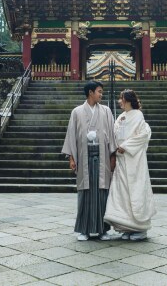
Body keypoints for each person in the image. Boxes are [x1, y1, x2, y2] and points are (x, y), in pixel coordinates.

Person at [61, 80, 117, 241]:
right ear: (90, 92)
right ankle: (84, 230)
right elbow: (72, 135)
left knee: (102, 193)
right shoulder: (77, 112)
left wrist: (112, 157)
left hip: (102, 157)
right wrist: (71, 157)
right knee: (85, 193)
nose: (101, 94)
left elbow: (112, 136)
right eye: (99, 91)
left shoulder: (106, 111)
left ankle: (102, 230)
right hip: (83, 156)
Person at [104, 89, 156, 240]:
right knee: (122, 192)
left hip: (134, 160)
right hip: (121, 160)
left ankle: (140, 229)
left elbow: (143, 135)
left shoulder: (138, 115)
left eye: (121, 99)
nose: (119, 101)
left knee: (136, 190)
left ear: (127, 100)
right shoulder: (121, 116)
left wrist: (125, 146)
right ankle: (127, 227)